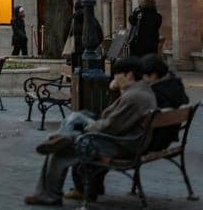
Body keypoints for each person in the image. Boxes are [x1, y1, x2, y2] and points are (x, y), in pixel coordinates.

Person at [25, 56, 157, 206]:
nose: (114, 78)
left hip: (120, 146)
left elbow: (110, 126)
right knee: (77, 120)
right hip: (130, 141)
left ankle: (48, 195)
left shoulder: (134, 97)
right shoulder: (143, 92)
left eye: (117, 74)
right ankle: (63, 137)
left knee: (59, 150)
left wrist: (88, 128)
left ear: (129, 75)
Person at [67, 54, 191, 201]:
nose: (140, 80)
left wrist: (118, 87)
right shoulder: (173, 85)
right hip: (159, 136)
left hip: (147, 140)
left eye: (143, 76)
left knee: (88, 139)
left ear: (153, 75)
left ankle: (85, 187)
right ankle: (91, 185)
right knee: (91, 126)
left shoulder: (154, 93)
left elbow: (120, 117)